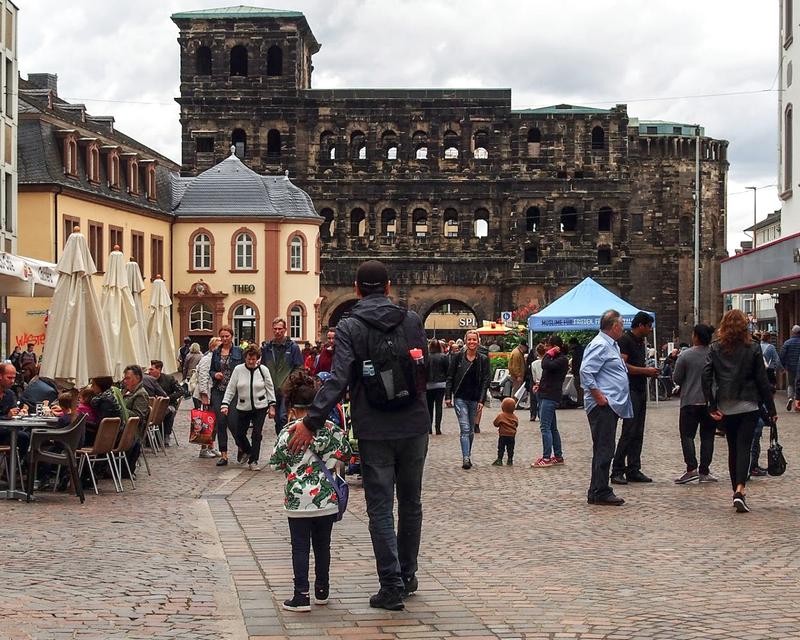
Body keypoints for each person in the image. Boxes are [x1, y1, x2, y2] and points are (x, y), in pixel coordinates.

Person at [287, 260, 429, 611]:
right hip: (414, 422)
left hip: (374, 425)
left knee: (380, 508)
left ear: (356, 288)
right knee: (411, 503)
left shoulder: (350, 325)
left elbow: (338, 379)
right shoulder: (411, 320)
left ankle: (391, 585)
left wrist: (311, 421)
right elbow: (422, 368)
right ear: (389, 286)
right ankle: (408, 575)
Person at [268, 371, 351, 612]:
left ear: (292, 407)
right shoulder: (331, 429)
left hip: (298, 501)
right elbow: (345, 453)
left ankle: (300, 595)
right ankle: (322, 590)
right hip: (326, 499)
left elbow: (275, 463)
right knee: (323, 545)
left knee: (300, 547)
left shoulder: (288, 433)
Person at [703, 309, 777, 513]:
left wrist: (711, 404)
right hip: (748, 403)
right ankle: (740, 489)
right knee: (744, 446)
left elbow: (706, 376)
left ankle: (735, 489)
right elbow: (762, 381)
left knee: (733, 447)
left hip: (726, 404)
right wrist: (770, 408)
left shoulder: (715, 348)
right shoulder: (752, 348)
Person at [580, 310, 632, 506]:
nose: (624, 328)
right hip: (603, 406)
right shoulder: (601, 345)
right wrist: (598, 395)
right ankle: (601, 490)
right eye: (622, 325)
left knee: (604, 448)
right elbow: (586, 371)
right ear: (615, 326)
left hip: (610, 405)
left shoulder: (611, 345)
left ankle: (596, 489)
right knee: (604, 448)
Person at [610, 311, 660, 485]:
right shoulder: (625, 341)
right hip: (629, 390)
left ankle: (633, 468)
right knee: (629, 430)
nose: (650, 329)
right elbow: (622, 365)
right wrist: (645, 371)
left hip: (639, 389)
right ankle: (617, 469)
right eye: (648, 326)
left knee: (638, 431)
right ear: (640, 325)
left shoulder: (640, 341)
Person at [672, 324, 718, 484]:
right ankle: (704, 470)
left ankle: (691, 468)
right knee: (708, 437)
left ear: (696, 336)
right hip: (709, 402)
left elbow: (677, 378)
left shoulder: (686, 355)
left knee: (687, 436)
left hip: (689, 401)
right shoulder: (715, 354)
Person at [221, 345, 277, 470]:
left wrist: (272, 406)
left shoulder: (263, 370)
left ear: (258, 358)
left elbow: (270, 387)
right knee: (239, 434)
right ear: (245, 358)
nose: (251, 362)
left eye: (254, 359)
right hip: (243, 406)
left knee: (257, 434)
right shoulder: (238, 370)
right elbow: (231, 388)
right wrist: (225, 404)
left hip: (260, 406)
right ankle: (249, 451)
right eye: (249, 359)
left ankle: (254, 460)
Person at [446, 329, 491, 470]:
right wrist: (448, 396)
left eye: (474, 339)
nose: (472, 342)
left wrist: (481, 400)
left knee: (471, 429)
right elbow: (450, 377)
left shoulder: (483, 359)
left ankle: (468, 453)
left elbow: (485, 380)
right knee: (465, 428)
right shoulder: (458, 357)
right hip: (460, 397)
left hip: (474, 398)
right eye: (469, 339)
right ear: (465, 341)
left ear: (478, 341)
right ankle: (466, 458)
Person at [261, 317, 304, 435]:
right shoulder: (267, 348)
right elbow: (263, 367)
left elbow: (299, 368)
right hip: (272, 389)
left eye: (280, 329)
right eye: (275, 329)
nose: (277, 331)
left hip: (287, 389)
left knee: (283, 418)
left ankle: (286, 441)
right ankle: (281, 441)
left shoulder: (293, 347)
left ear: (285, 329)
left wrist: (289, 383)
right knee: (277, 420)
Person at [531, 335, 568, 468]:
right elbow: (549, 374)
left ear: (554, 347)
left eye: (547, 345)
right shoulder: (556, 358)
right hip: (545, 392)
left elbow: (545, 364)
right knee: (552, 428)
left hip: (550, 396)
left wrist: (548, 354)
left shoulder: (561, 359)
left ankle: (546, 457)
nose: (545, 348)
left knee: (545, 427)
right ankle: (558, 456)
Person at [210, 326, 244, 466]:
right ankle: (224, 455)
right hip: (219, 390)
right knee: (221, 421)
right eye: (222, 337)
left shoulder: (239, 352)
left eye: (227, 336)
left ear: (232, 336)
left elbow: (244, 368)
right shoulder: (216, 353)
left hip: (234, 391)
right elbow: (211, 370)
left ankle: (241, 445)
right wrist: (215, 374)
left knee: (233, 421)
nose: (224, 339)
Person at [194, 337, 221, 458]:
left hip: (214, 394)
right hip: (207, 395)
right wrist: (204, 395)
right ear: (212, 347)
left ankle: (211, 446)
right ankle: (203, 448)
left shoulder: (217, 359)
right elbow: (203, 378)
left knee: (214, 422)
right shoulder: (207, 359)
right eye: (217, 346)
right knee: (206, 422)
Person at [147, 360, 183, 446]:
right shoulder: (146, 379)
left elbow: (181, 391)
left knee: (168, 411)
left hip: (168, 404)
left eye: (151, 369)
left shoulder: (169, 379)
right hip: (151, 406)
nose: (149, 371)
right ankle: (146, 438)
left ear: (159, 369)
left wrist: (168, 398)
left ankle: (166, 435)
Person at [0, 362, 27, 458]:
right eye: (9, 377)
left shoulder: (10, 394)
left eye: (14, 378)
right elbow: (9, 415)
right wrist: (7, 416)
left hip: (7, 431)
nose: (12, 381)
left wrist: (20, 412)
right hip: (4, 431)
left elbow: (14, 411)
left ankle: (16, 466)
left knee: (26, 436)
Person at [426, 338, 449, 435]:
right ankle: (438, 428)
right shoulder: (443, 357)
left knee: (429, 407)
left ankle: (429, 428)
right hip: (441, 384)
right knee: (439, 406)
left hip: (428, 384)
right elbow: (448, 370)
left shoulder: (426, 357)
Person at [779, 324, 800, 411]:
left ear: (793, 332)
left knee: (791, 384)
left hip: (790, 367)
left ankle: (790, 397)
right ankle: (797, 401)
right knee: (799, 384)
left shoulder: (787, 342)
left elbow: (782, 355)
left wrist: (782, 366)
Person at [492, 397, 518, 466]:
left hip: (503, 435)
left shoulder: (501, 415)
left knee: (501, 448)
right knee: (510, 448)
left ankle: (499, 460)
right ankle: (510, 460)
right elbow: (516, 424)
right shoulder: (514, 417)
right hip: (512, 436)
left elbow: (495, 423)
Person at [528, 343, 546, 422]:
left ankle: (533, 414)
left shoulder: (533, 364)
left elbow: (534, 377)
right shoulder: (548, 361)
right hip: (546, 383)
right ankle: (541, 414)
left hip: (537, 383)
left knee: (534, 399)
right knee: (543, 401)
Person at [568, 337, 585, 407]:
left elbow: (576, 362)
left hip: (578, 371)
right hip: (580, 371)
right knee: (579, 387)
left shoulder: (576, 351)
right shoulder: (581, 349)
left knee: (579, 387)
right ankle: (580, 400)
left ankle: (580, 401)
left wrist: (573, 370)